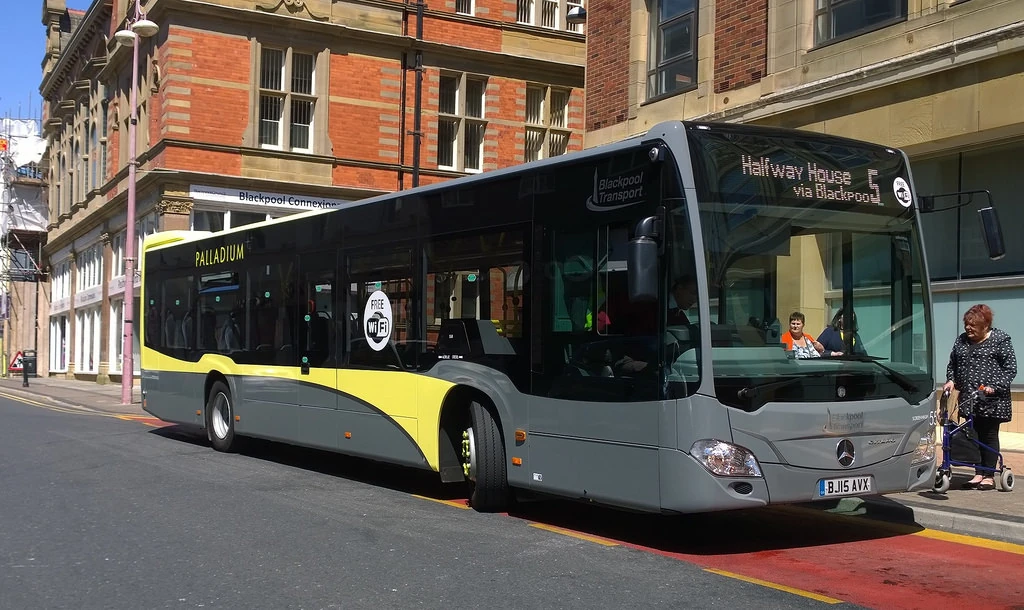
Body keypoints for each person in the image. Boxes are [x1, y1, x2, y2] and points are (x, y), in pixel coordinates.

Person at [942, 304, 1017, 490]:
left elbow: (1010, 369)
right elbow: (953, 364)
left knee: (988, 435)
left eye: (973, 325)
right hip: (970, 397)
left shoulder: (1000, 340)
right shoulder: (961, 340)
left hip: (992, 400)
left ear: (986, 325)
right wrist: (951, 380)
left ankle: (989, 475)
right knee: (973, 434)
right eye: (966, 324)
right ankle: (978, 473)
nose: (968, 328)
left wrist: (995, 387)